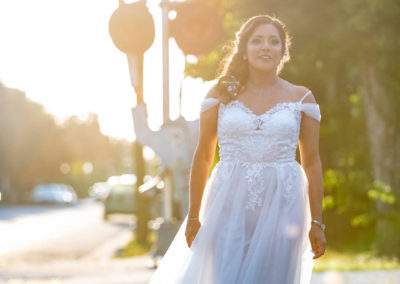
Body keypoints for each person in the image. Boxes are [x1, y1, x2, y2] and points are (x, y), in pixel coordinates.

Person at [149, 14, 326, 284]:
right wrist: (194, 216)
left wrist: (317, 222)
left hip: (284, 206)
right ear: (244, 49)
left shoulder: (302, 98)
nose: (265, 47)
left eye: (273, 42)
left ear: (283, 52)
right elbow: (204, 155)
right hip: (227, 204)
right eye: (256, 41)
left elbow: (311, 163)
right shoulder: (219, 95)